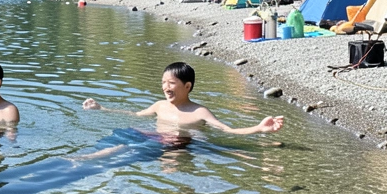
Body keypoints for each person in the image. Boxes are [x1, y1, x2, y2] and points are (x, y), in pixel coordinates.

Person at [82, 62, 283, 138]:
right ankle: (86, 159)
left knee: (172, 164)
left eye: (171, 83)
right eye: (163, 83)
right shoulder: (160, 106)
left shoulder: (199, 112)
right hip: (156, 139)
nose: (165, 87)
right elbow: (135, 114)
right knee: (122, 138)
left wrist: (258, 128)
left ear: (187, 86)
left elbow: (227, 130)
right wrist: (102, 108)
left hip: (179, 146)